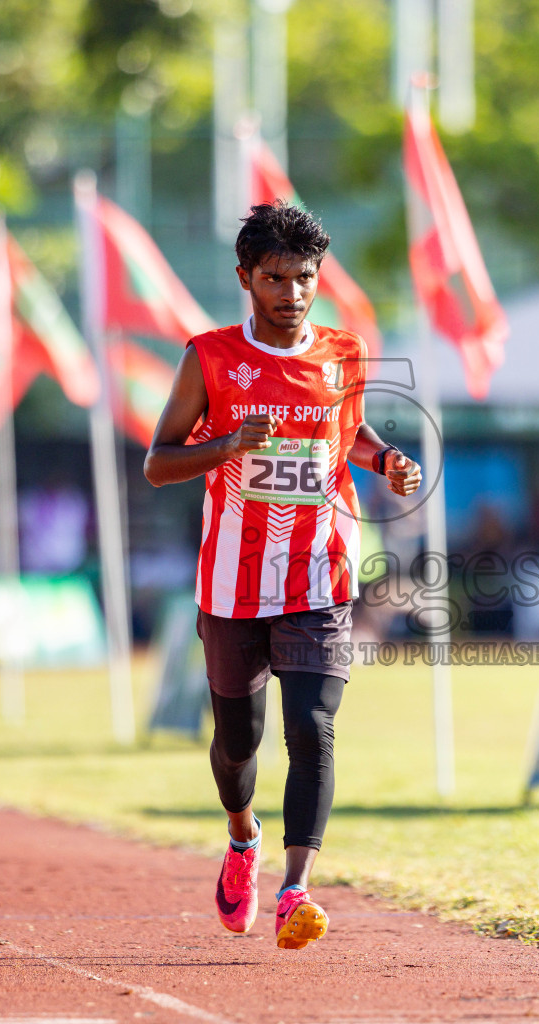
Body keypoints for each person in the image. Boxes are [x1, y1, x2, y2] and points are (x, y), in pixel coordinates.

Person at [144, 200, 421, 950]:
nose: (292, 292)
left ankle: (296, 890)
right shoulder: (209, 358)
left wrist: (385, 460)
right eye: (275, 277)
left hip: (320, 578)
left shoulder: (343, 352)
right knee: (240, 745)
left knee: (313, 727)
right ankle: (242, 838)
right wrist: (230, 443)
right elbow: (159, 462)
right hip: (233, 585)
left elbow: (350, 433)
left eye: (304, 277)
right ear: (245, 278)